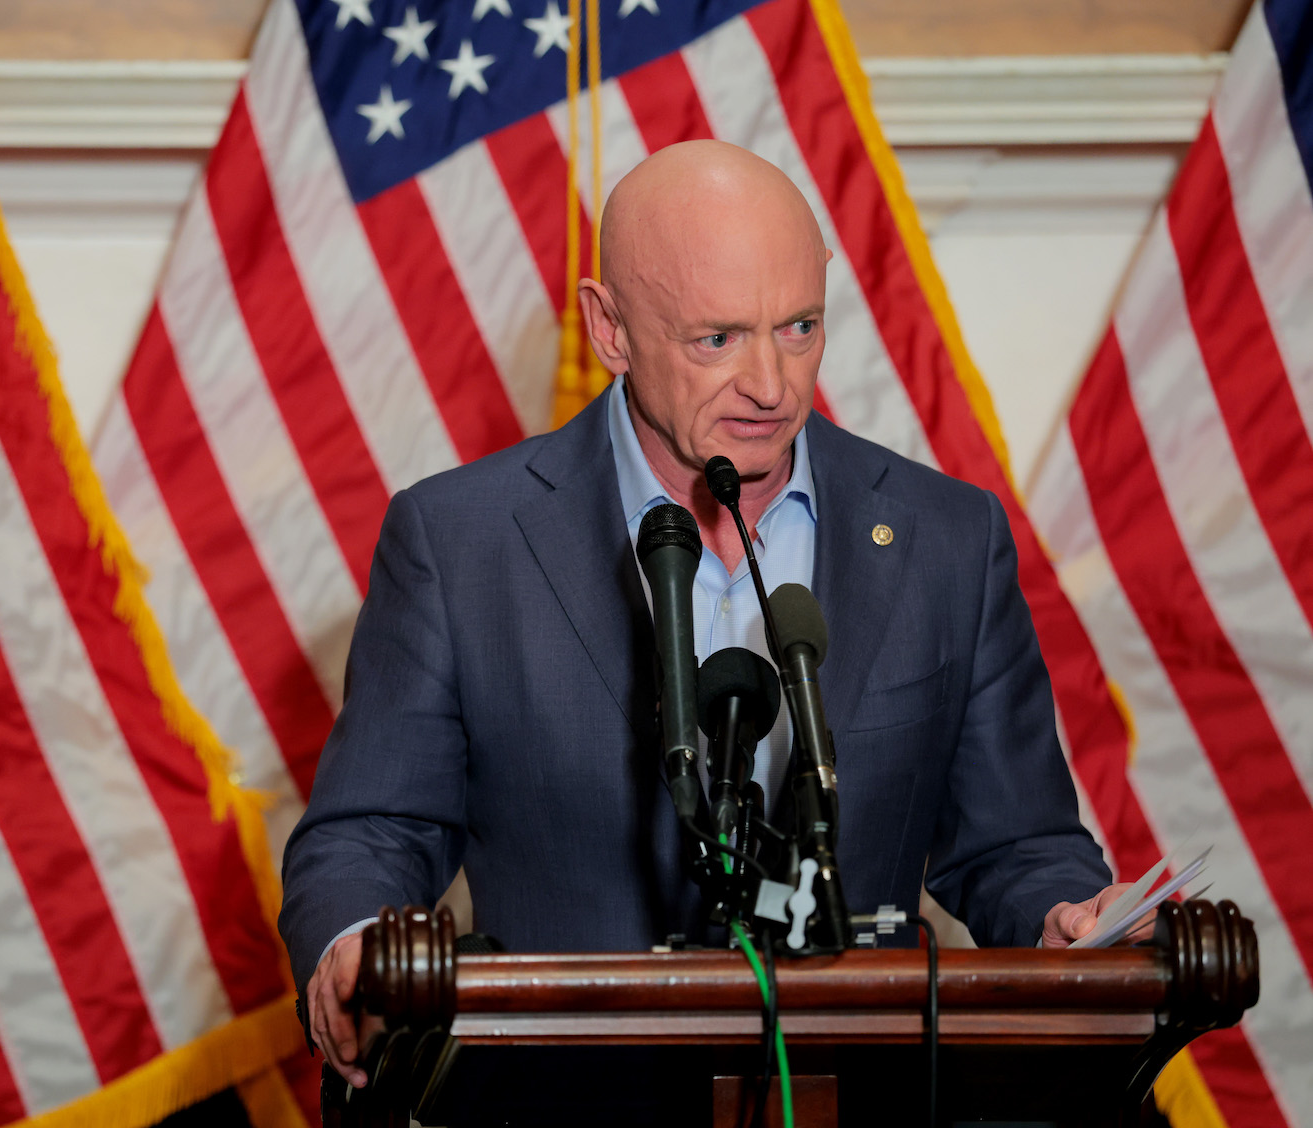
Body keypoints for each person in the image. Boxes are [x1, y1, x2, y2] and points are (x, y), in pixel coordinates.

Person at [280, 140, 1136, 1088]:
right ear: (610, 328)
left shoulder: (947, 539)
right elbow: (371, 832)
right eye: (717, 339)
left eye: (799, 326)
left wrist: (1067, 916)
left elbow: (1018, 843)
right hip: (561, 1105)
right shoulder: (459, 542)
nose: (771, 385)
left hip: (854, 1096)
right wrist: (356, 951)